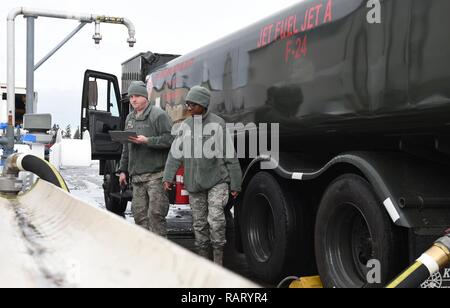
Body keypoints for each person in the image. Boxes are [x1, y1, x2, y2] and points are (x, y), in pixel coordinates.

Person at [163, 86, 242, 265]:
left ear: (203, 105)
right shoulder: (186, 126)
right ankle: (204, 262)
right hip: (194, 183)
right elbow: (175, 154)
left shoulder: (218, 124)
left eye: (192, 104)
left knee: (215, 221)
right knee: (199, 224)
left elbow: (230, 155)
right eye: (187, 104)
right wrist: (168, 177)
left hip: (217, 181)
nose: (188, 107)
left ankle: (218, 261)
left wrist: (236, 183)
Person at [118, 81, 174, 237]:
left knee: (156, 216)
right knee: (139, 217)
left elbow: (170, 140)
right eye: (131, 97)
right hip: (137, 178)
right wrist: (123, 170)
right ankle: (146, 253)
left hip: (156, 176)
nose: (133, 100)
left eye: (136, 96)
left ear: (145, 96)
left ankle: (160, 254)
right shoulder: (130, 118)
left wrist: (148, 141)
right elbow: (126, 147)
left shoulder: (158, 115)